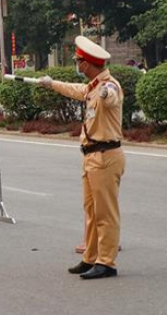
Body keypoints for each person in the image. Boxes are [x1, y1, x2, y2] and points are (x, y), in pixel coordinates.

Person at [40, 36, 125, 280]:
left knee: (105, 213)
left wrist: (108, 92)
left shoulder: (109, 86)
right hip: (91, 156)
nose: (77, 66)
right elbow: (75, 90)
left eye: (79, 62)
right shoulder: (92, 87)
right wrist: (51, 83)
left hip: (106, 155)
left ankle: (106, 262)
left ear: (87, 64)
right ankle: (91, 257)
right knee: (91, 211)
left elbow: (112, 97)